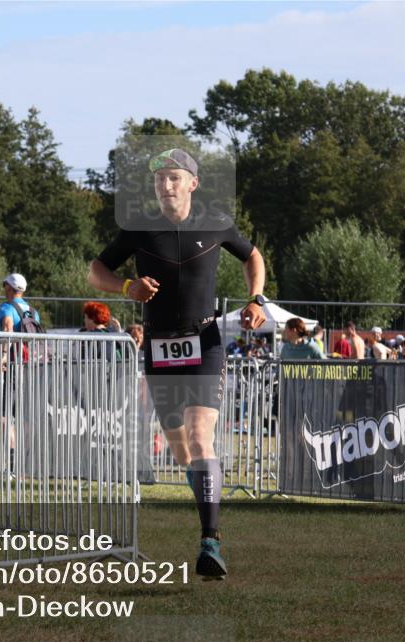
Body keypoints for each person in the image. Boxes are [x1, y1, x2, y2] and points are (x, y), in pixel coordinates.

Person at [87, 147, 266, 579]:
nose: (165, 186)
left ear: (191, 183)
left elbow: (253, 256)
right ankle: (204, 500)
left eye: (173, 178)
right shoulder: (139, 228)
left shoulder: (216, 221)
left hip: (204, 342)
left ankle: (210, 541)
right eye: (158, 179)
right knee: (182, 449)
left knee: (202, 437)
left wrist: (256, 298)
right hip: (159, 347)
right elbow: (96, 270)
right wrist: (126, 286)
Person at [0, 273, 40, 476]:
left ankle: (12, 465)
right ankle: (27, 461)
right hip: (31, 367)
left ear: (9, 288)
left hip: (12, 367)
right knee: (26, 417)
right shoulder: (33, 312)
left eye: (5, 285)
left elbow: (7, 327)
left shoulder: (6, 307)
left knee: (2, 415)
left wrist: (3, 356)